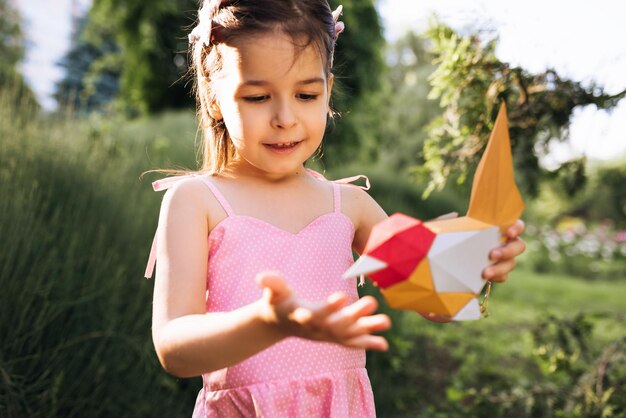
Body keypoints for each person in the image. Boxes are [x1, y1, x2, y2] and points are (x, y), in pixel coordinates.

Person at [144, 0, 526, 416]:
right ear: (215, 98)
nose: (285, 117)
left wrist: (477, 267)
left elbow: (433, 299)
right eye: (257, 97)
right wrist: (266, 323)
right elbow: (173, 348)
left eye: (306, 94)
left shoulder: (351, 206)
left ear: (327, 90)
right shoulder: (197, 202)